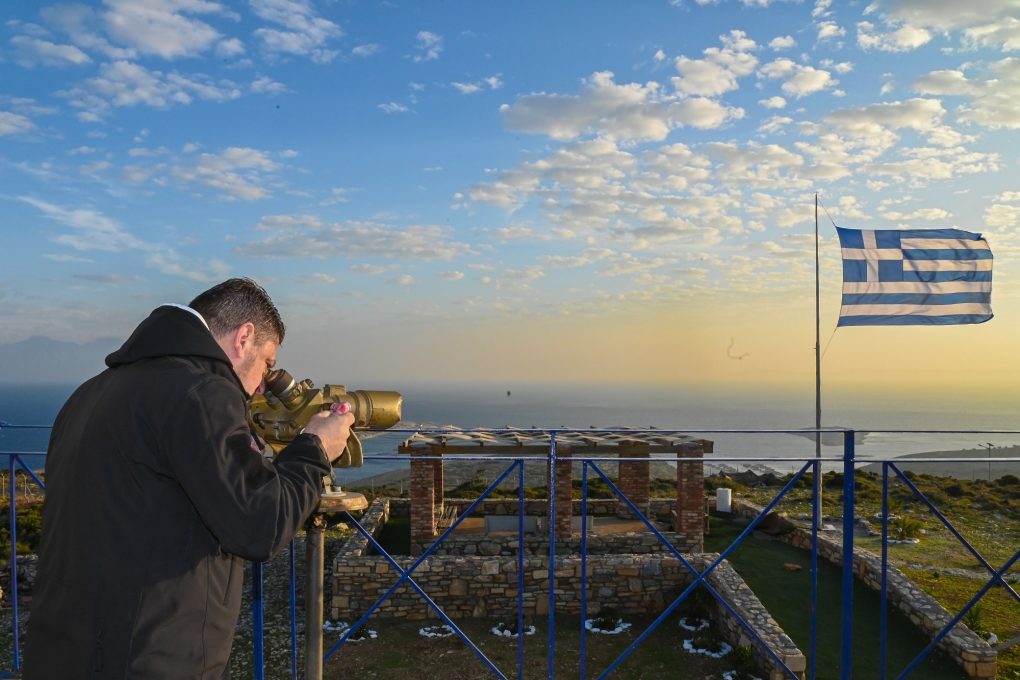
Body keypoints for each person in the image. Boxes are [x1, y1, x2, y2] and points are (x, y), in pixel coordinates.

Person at [23, 278, 354, 679]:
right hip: (150, 658)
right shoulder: (202, 393)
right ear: (244, 337)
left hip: (64, 651)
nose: (262, 385)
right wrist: (315, 448)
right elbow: (259, 525)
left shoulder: (89, 394)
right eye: (267, 363)